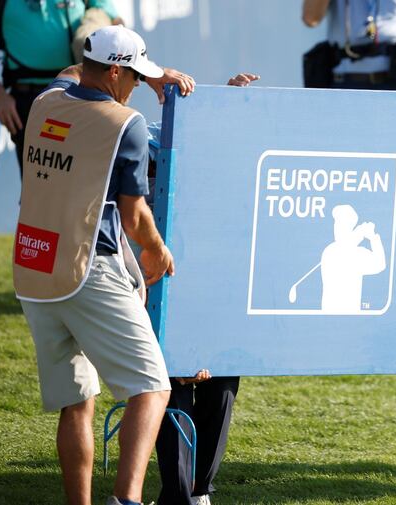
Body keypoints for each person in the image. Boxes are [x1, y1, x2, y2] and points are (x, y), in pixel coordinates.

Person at [12, 25, 195, 505]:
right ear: (116, 71)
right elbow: (134, 216)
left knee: (77, 404)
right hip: (86, 268)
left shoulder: (47, 101)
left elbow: (72, 72)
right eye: (134, 76)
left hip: (33, 269)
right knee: (152, 387)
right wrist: (156, 250)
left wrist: (143, 72)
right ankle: (126, 501)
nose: (138, 85)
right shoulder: (126, 122)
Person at [152, 72, 258, 505]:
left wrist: (228, 106)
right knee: (172, 375)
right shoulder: (147, 138)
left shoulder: (234, 158)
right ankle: (178, 494)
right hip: (163, 280)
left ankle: (199, 493)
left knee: (222, 373)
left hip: (217, 284)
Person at [0, 0, 121, 174]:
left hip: (80, 95)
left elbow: (114, 20)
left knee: (86, 183)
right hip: (29, 102)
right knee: (39, 184)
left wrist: (92, 29)